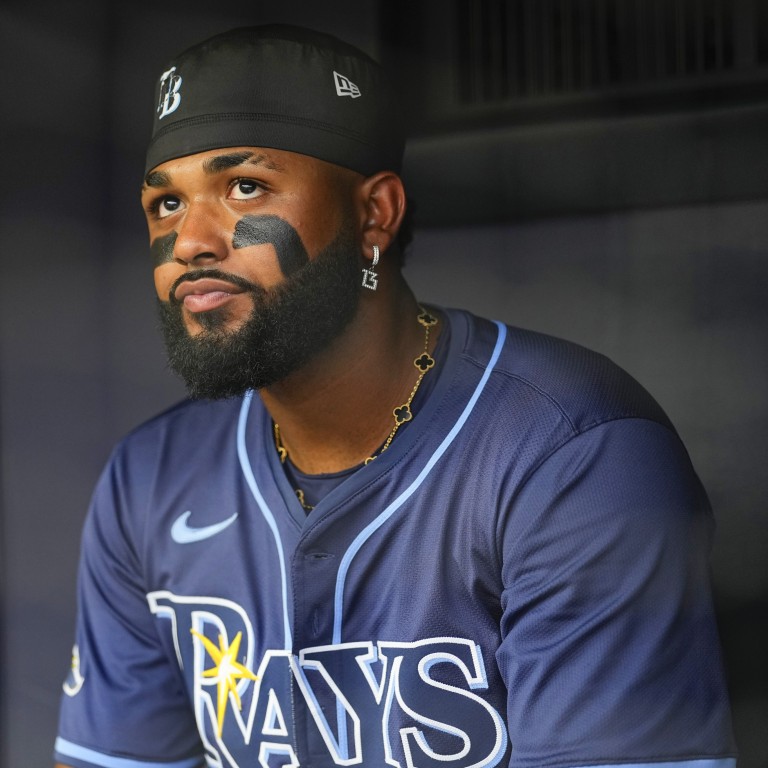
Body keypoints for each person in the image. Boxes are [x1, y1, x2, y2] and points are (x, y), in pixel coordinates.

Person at [54, 24, 736, 768]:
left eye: (243, 187)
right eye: (165, 206)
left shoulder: (574, 450)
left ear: (375, 213)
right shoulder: (150, 477)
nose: (190, 241)